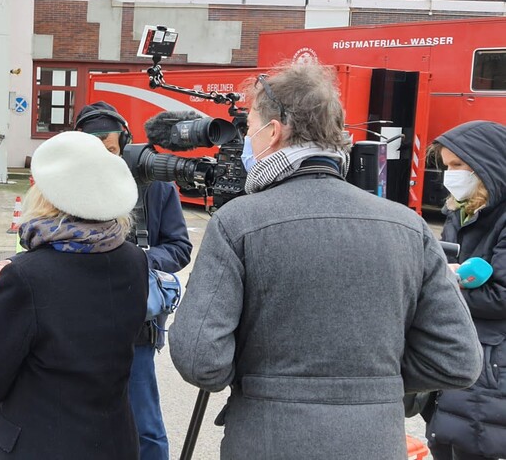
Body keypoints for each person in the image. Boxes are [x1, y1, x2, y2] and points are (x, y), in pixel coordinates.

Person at [168, 63, 482, 459]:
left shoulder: (238, 222)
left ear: (274, 131)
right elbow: (457, 360)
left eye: (250, 128)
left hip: (267, 440)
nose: (247, 139)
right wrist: (374, 383)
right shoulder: (410, 226)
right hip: (376, 442)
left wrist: (262, 380)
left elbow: (200, 361)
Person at [0, 131, 149, 460]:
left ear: (46, 197)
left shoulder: (25, 278)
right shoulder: (134, 260)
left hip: (38, 445)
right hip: (114, 442)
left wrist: (16, 282)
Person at [74, 101, 192, 460]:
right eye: (94, 151)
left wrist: (136, 261)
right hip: (75, 323)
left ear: (124, 144)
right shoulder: (66, 186)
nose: (105, 159)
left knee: (145, 428)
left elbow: (179, 247)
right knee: (78, 422)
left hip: (136, 327)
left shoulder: (155, 186)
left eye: (111, 150)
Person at [425, 120, 506, 460]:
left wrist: (443, 288)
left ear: (487, 164)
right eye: (446, 166)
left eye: (458, 165)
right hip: (462, 355)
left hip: (492, 367)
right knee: (449, 440)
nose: (451, 174)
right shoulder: (460, 211)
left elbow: (501, 295)